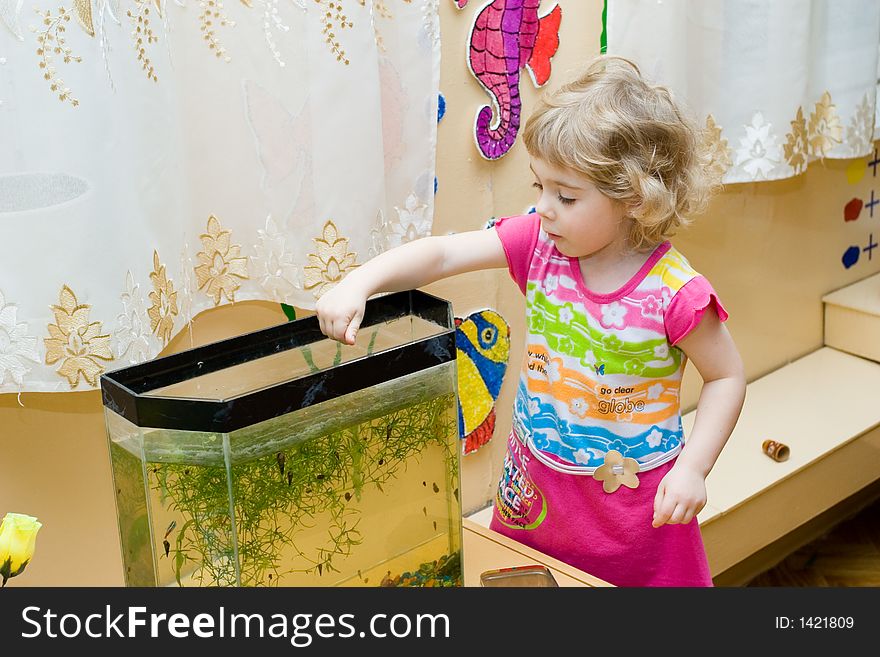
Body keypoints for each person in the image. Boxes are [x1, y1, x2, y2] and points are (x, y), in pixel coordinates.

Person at [315, 55, 746, 587]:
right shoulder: (538, 245)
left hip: (635, 512)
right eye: (539, 186)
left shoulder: (676, 294)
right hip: (537, 494)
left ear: (633, 198)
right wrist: (359, 282)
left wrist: (693, 469)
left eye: (565, 196)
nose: (543, 207)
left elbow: (726, 376)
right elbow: (444, 255)